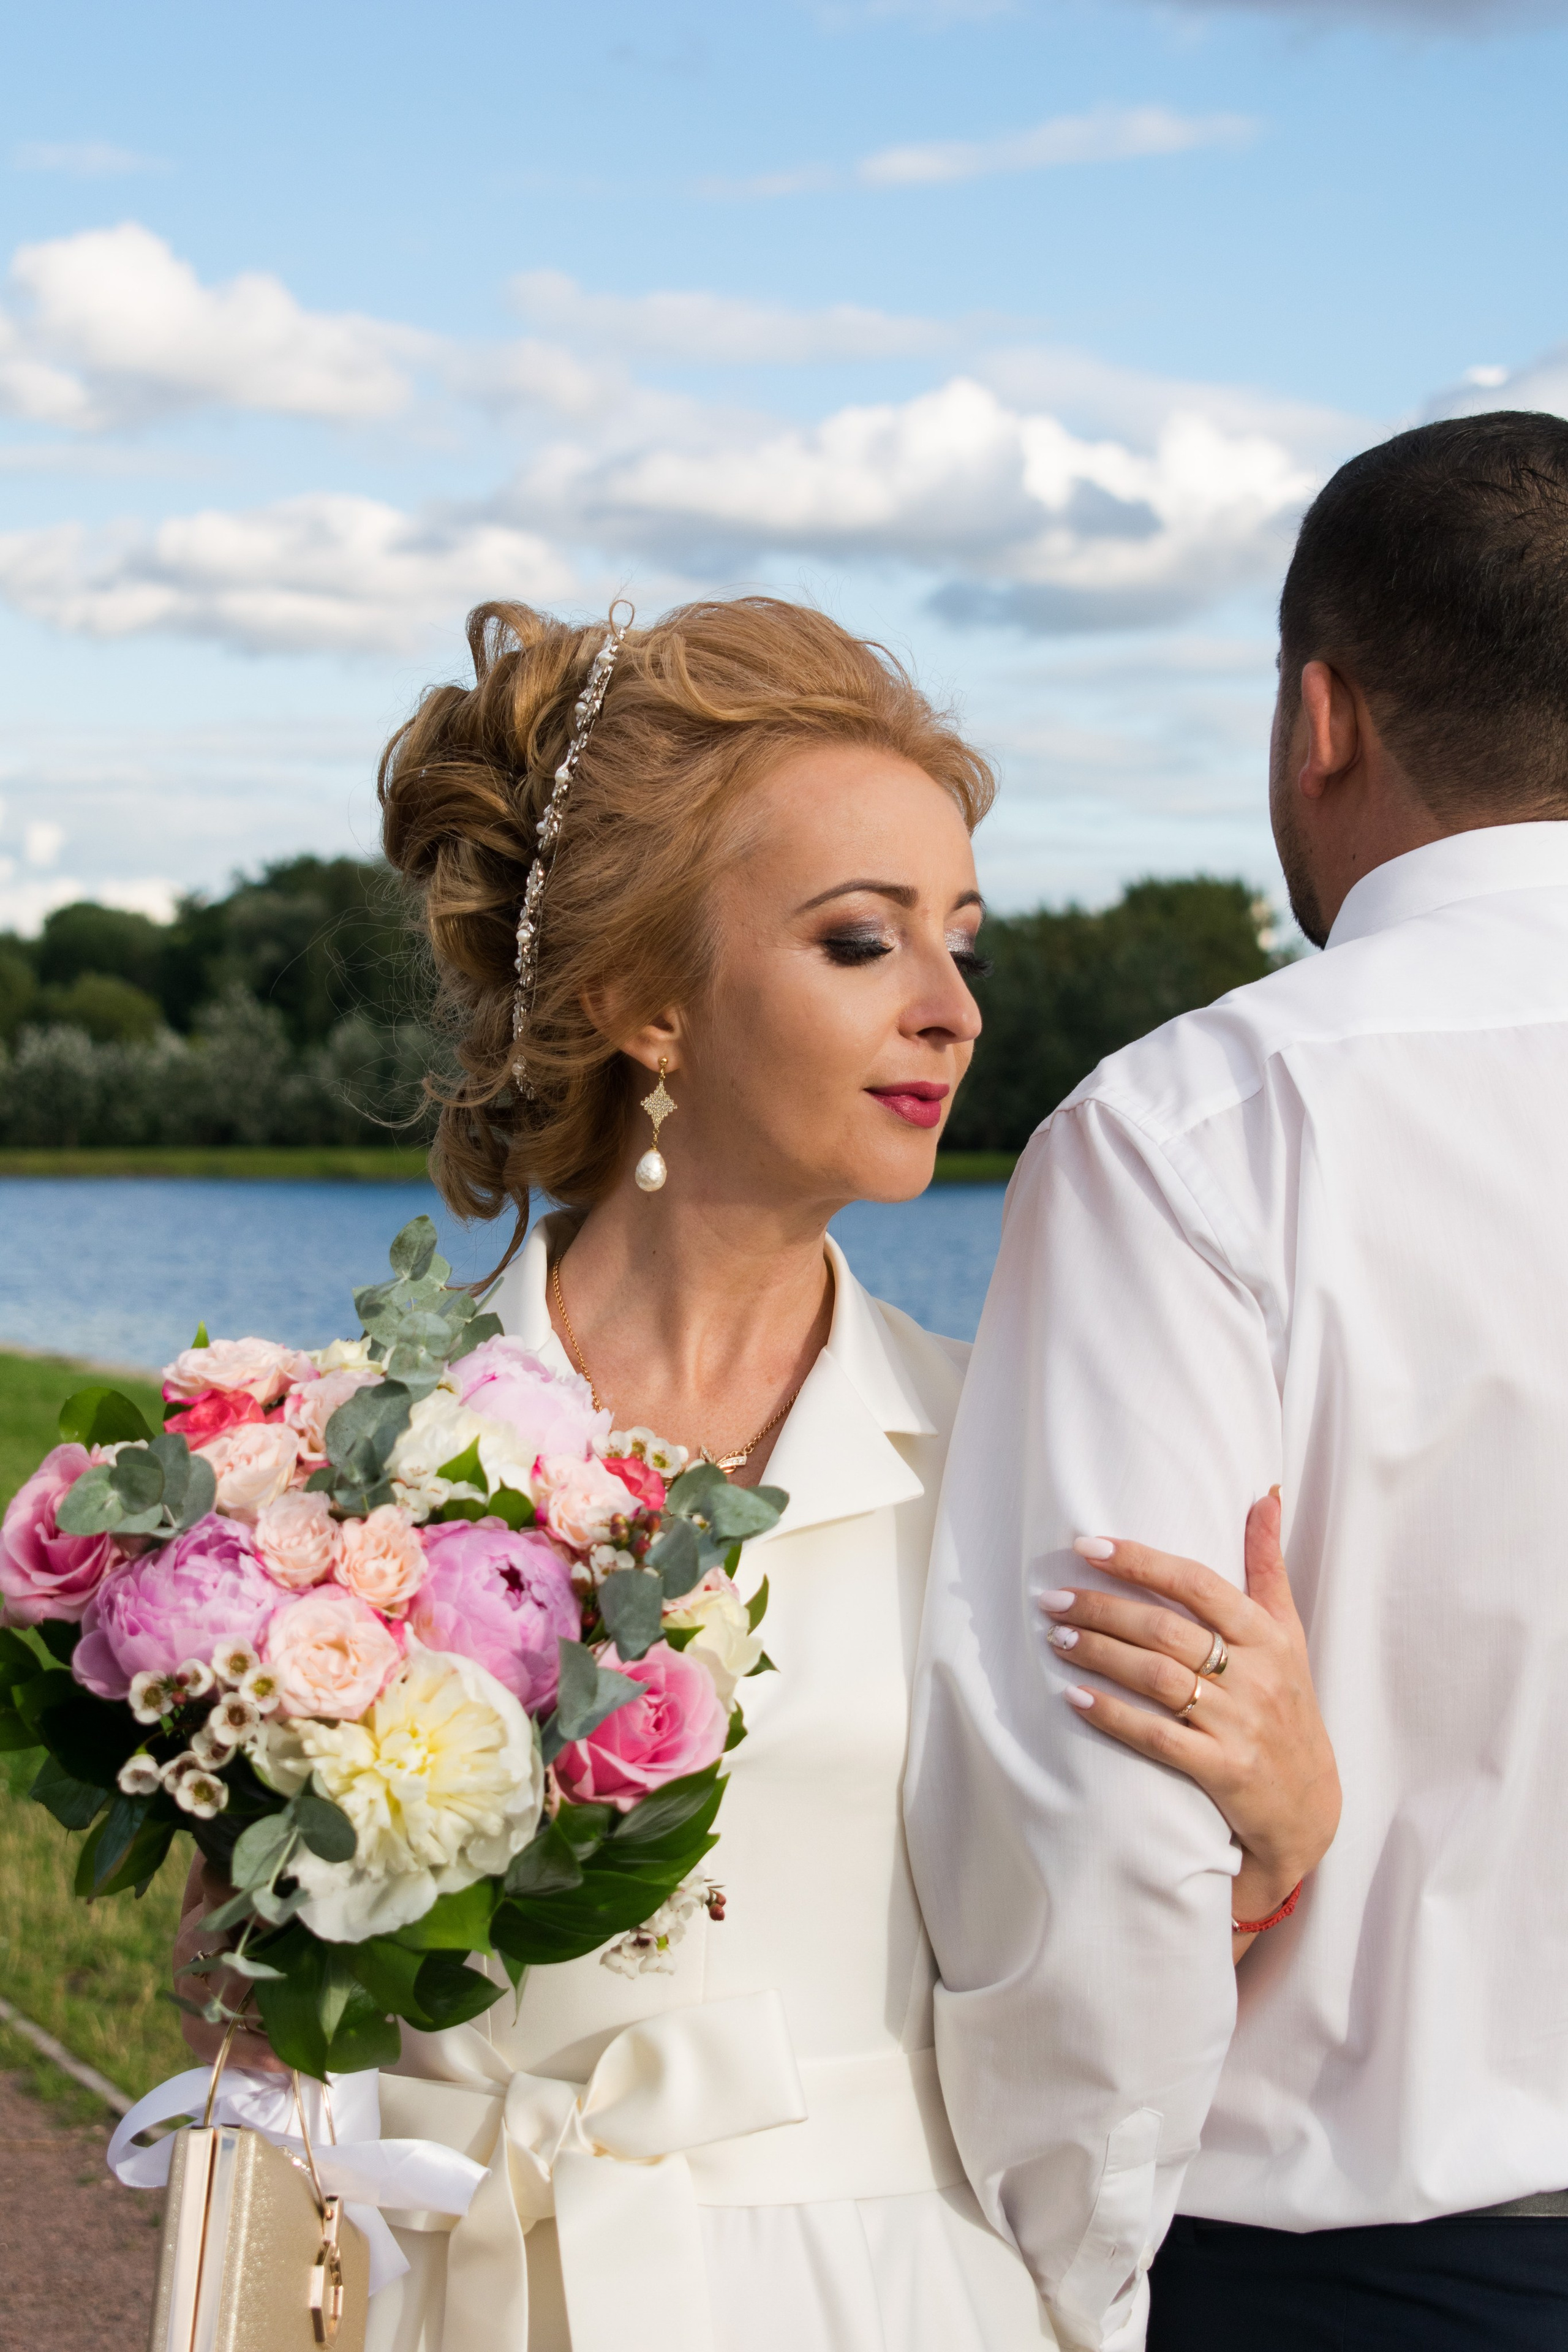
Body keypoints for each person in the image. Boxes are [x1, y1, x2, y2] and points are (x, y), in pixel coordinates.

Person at [174, 595, 1336, 2352]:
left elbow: (1104, 1978)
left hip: (891, 2298)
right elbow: (266, 1984)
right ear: (646, 1000)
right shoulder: (341, 1464)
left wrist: (1289, 1822)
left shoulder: (1020, 1455)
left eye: (965, 942)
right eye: (864, 943)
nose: (950, 1011)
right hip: (451, 2290)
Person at [905, 410, 1568, 2352]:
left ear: (1322, 714)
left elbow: (1113, 1794)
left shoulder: (1197, 1134)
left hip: (1349, 2277)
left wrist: (1064, 2272)